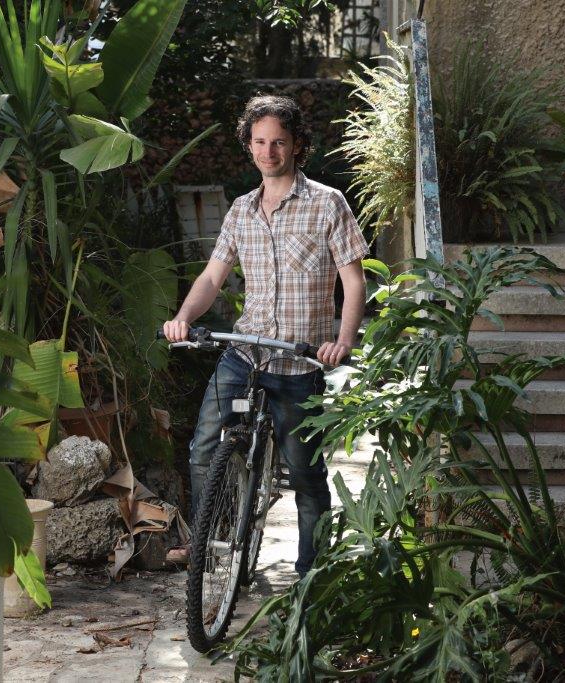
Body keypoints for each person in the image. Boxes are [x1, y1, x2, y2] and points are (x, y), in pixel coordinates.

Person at [162, 95, 368, 577]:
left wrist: (344, 340)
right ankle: (207, 543)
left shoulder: (327, 203)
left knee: (304, 473)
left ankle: (310, 572)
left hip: (299, 361)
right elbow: (213, 278)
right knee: (203, 447)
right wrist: (182, 318)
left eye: (278, 142)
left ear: (297, 145)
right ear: (248, 145)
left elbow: (353, 281)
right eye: (259, 142)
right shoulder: (240, 210)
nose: (268, 151)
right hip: (246, 351)